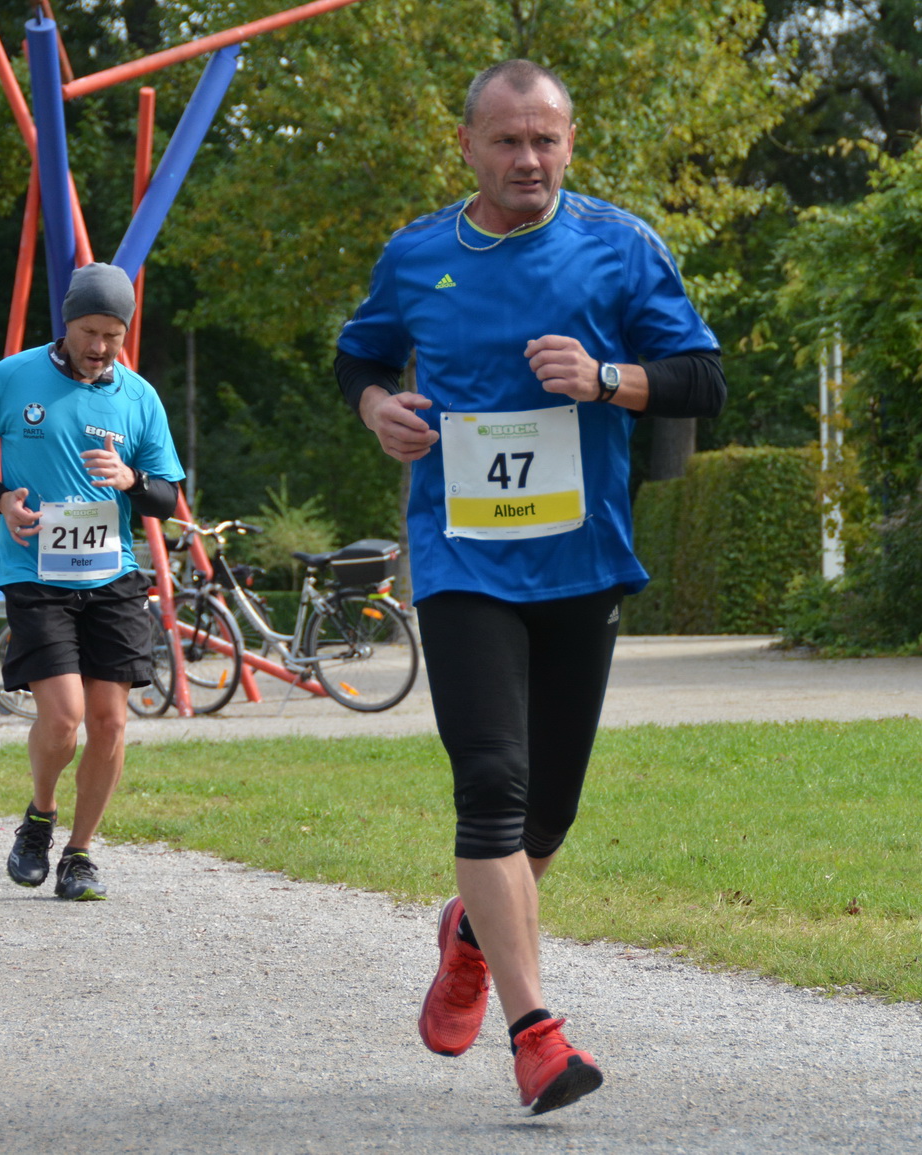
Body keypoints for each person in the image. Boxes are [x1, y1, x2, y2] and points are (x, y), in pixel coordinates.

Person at [333, 60, 726, 1114]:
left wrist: (607, 379)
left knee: (547, 812)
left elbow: (703, 379)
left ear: (569, 141)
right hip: (461, 558)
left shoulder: (621, 245)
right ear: (466, 145)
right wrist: (377, 409)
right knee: (492, 783)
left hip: (580, 561)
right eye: (506, 141)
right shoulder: (418, 255)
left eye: (545, 139)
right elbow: (358, 357)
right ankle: (536, 1036)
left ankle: (470, 937)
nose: (528, 159)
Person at [0, 262, 184, 902]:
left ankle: (79, 855)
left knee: (109, 722)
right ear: (67, 322)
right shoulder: (12, 376)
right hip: (36, 571)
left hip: (113, 575)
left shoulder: (139, 397)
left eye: (113, 335)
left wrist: (133, 480)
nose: (100, 346)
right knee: (64, 720)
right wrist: (1, 498)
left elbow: (167, 497)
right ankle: (40, 817)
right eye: (89, 331)